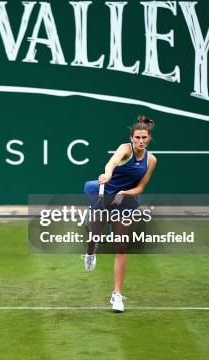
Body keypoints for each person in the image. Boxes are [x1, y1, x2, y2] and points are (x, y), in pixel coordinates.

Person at [82, 116, 157, 312]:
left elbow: (141, 187)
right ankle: (90, 251)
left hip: (127, 200)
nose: (141, 141)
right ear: (132, 138)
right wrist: (107, 175)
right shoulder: (125, 149)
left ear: (149, 138)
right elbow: (112, 163)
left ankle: (116, 295)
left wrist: (125, 193)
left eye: (144, 137)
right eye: (137, 137)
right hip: (105, 193)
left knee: (121, 246)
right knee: (95, 234)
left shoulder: (151, 160)